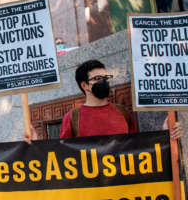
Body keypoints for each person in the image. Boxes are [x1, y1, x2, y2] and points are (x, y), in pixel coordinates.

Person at [24, 59, 182, 142]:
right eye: (98, 78)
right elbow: (63, 157)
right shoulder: (72, 118)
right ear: (85, 85)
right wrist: (36, 143)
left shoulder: (123, 113)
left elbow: (138, 148)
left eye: (106, 77)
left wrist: (166, 134)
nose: (104, 81)